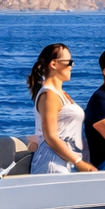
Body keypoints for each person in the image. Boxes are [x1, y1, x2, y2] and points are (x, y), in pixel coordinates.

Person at [26, 43, 97, 174]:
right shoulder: (49, 95)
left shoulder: (61, 95)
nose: (72, 67)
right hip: (53, 162)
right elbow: (51, 136)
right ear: (54, 64)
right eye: (69, 62)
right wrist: (78, 163)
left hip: (66, 161)